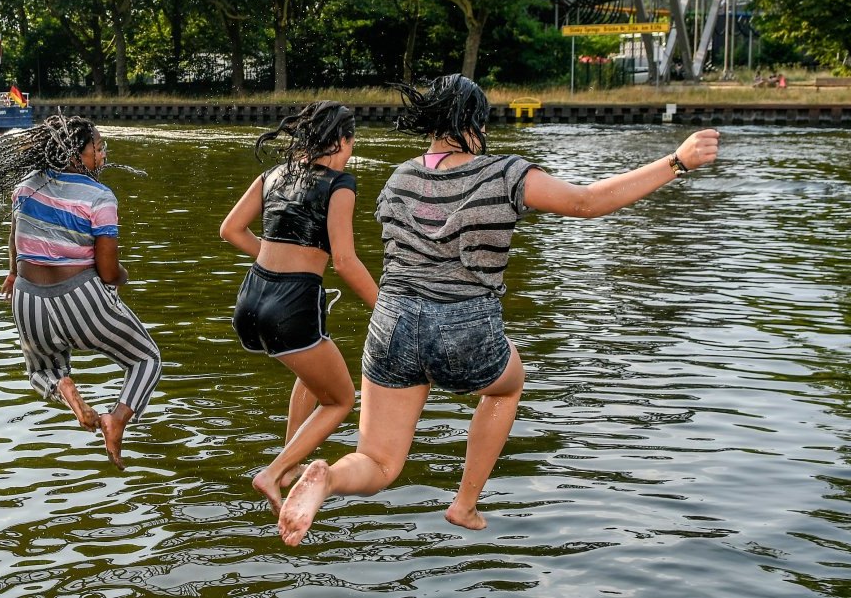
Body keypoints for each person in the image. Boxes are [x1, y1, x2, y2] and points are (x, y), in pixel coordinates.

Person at [277, 75, 721, 545]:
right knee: (508, 386)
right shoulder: (505, 173)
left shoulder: (400, 176)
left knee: (380, 462)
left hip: (392, 324)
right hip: (464, 327)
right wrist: (678, 161)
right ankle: (465, 504)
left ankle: (327, 476)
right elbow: (587, 203)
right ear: (474, 121)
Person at [0, 114, 161, 470]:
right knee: (146, 360)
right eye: (98, 147)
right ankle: (117, 420)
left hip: (26, 298)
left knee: (41, 370)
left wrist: (13, 274)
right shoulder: (99, 196)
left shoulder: (25, 186)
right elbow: (108, 272)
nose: (104, 154)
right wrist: (123, 276)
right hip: (81, 298)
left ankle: (67, 389)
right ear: (74, 155)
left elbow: (14, 239)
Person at [220, 101, 379, 513]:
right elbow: (344, 261)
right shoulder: (340, 183)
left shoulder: (272, 175)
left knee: (311, 373)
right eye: (351, 141)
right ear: (343, 140)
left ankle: (288, 466)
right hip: (291, 305)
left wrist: (272, 257)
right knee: (341, 400)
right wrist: (386, 307)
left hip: (250, 301)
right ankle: (273, 472)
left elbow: (230, 229)